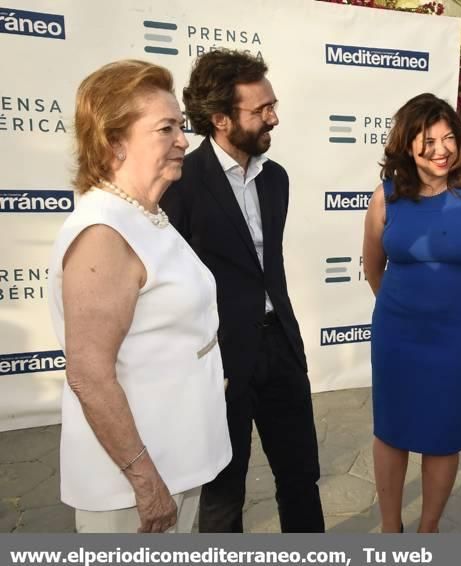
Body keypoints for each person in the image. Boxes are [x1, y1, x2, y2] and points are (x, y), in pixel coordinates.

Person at [47, 60, 231, 533]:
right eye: (165, 128)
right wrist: (146, 483)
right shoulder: (103, 234)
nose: (183, 141)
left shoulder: (145, 215)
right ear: (114, 142)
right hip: (132, 488)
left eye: (181, 127)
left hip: (176, 458)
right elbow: (90, 375)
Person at [160, 49, 324, 533]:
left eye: (272, 104)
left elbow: (264, 270)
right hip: (221, 361)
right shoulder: (181, 185)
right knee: (222, 497)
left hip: (281, 351)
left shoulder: (277, 180)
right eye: (261, 110)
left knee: (301, 479)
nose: (275, 117)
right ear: (220, 119)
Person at [362, 93, 461, 533]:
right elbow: (372, 267)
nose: (441, 149)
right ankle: (391, 529)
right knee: (391, 428)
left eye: (449, 138)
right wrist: (406, 309)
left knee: (443, 432)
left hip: (455, 337)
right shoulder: (384, 197)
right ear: (407, 144)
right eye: (428, 140)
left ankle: (429, 530)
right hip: (397, 333)